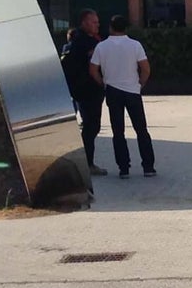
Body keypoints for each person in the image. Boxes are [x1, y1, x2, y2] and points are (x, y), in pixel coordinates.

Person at [90, 13, 155, 178]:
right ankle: (148, 166)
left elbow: (93, 70)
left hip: (112, 90)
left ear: (110, 28)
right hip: (132, 90)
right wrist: (140, 83)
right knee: (141, 129)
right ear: (126, 28)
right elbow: (146, 68)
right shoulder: (135, 45)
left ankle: (124, 168)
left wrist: (103, 82)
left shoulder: (101, 46)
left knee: (118, 131)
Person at [59, 10, 108, 176]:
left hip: (88, 90)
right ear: (85, 23)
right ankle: (86, 164)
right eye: (94, 22)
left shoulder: (89, 40)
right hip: (87, 89)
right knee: (90, 127)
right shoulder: (82, 42)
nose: (97, 25)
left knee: (91, 126)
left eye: (97, 22)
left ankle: (85, 162)